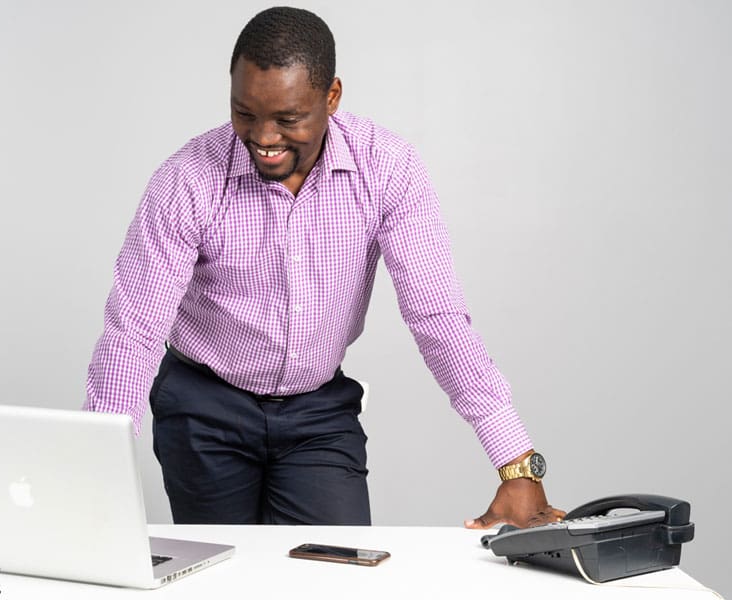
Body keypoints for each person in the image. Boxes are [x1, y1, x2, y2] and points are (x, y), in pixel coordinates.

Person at [85, 6, 565, 529]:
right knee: (222, 568)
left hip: (316, 412)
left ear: (331, 97)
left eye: (288, 119)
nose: (264, 138)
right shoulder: (187, 179)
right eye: (245, 113)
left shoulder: (387, 168)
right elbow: (134, 329)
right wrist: (94, 468)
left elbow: (437, 317)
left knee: (334, 566)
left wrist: (516, 462)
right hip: (204, 408)